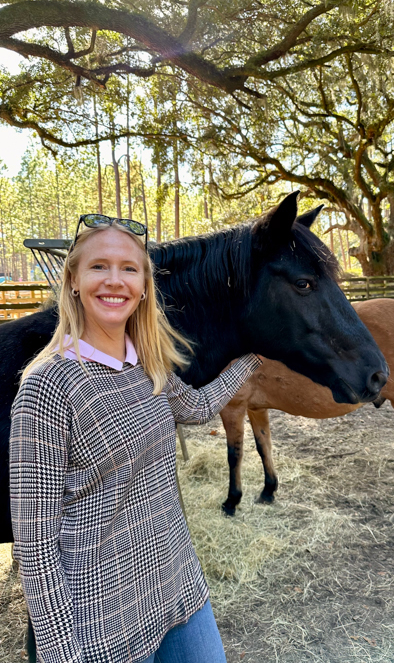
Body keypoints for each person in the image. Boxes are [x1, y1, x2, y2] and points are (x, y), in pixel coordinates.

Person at [10, 214, 262, 663]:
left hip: (180, 585)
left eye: (129, 268)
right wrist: (59, 653)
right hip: (104, 623)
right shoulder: (47, 387)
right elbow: (35, 542)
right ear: (72, 280)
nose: (115, 280)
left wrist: (254, 356)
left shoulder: (148, 366)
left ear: (145, 286)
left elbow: (198, 409)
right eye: (98, 266)